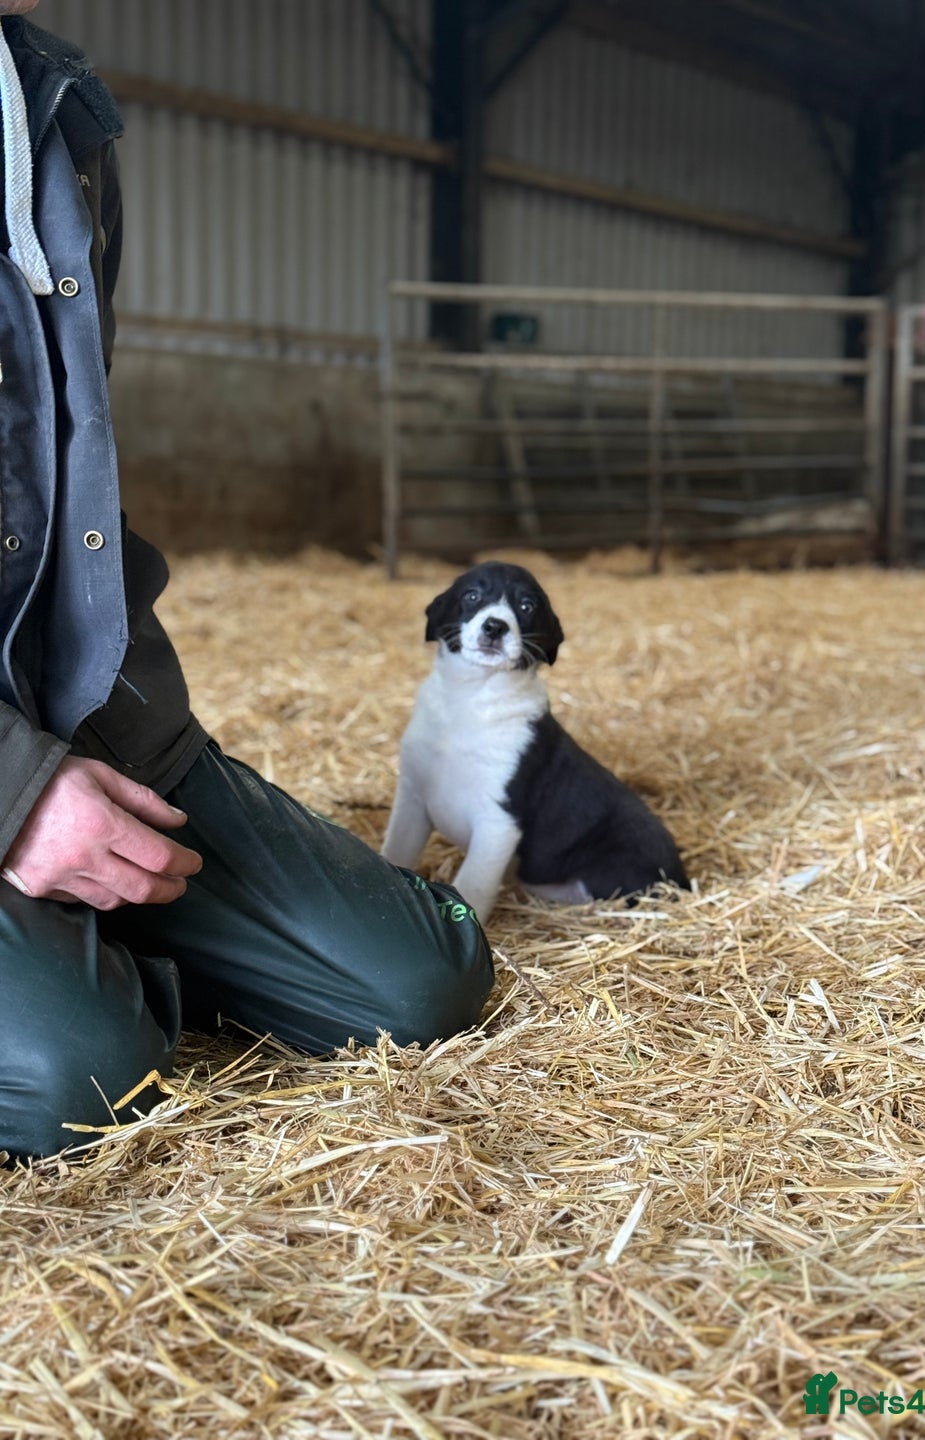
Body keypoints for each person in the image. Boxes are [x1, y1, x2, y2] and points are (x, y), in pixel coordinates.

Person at [0, 4, 494, 1159]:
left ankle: (81, 953)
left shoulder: (57, 105)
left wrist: (92, 743)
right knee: (84, 1080)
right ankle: (80, 985)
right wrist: (12, 790)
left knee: (419, 984)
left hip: (95, 719)